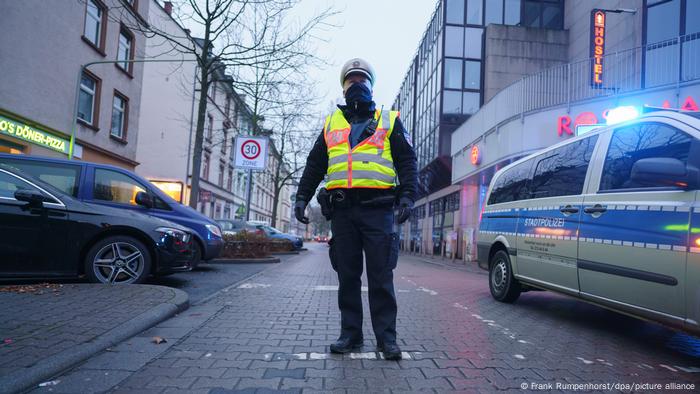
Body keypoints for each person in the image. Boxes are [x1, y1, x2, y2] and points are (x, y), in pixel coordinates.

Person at [294, 58, 418, 360]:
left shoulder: (389, 120)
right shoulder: (331, 124)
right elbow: (314, 166)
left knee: (381, 278)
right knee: (347, 277)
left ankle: (386, 338)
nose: (357, 84)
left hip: (379, 211)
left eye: (362, 80)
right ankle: (350, 334)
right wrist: (301, 197)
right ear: (344, 87)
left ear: (371, 86)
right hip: (343, 213)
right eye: (352, 80)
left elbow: (407, 162)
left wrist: (407, 197)